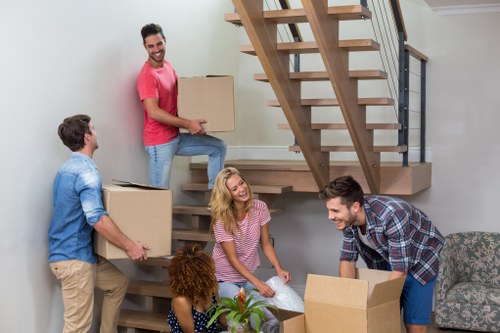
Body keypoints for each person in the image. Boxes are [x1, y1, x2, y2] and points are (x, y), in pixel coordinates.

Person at [48, 114, 150, 333]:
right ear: (87, 137)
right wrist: (131, 246)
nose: (97, 133)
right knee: (77, 328)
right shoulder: (87, 172)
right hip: (74, 260)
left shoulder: (64, 170)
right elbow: (96, 218)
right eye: (94, 129)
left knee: (118, 283)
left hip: (77, 254)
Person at [318, 175, 445, 333]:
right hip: (391, 258)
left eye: (335, 210)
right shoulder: (349, 220)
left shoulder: (392, 214)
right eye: (329, 210)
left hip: (422, 260)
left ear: (355, 206)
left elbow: (400, 269)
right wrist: (348, 298)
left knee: (413, 325)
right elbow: (347, 259)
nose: (330, 216)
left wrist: (374, 303)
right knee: (382, 318)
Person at [137, 23, 227, 190]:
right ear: (145, 47)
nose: (156, 49)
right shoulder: (147, 76)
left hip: (176, 137)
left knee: (219, 147)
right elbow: (154, 112)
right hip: (159, 143)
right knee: (158, 195)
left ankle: (217, 201)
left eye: (159, 43)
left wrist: (206, 113)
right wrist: (188, 124)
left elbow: (183, 95)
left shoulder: (168, 66)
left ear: (165, 41)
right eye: (151, 46)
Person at [210, 167, 291, 331]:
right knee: (252, 311)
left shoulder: (260, 207)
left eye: (241, 183)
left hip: (246, 278)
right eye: (235, 188)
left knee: (269, 313)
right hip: (223, 280)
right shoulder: (222, 220)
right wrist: (258, 283)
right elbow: (233, 259)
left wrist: (279, 268)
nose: (242, 189)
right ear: (228, 195)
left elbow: (266, 243)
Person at [167, 243, 225, 333]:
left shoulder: (210, 288)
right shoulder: (181, 300)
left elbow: (222, 318)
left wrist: (239, 316)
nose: (211, 275)